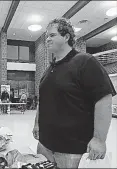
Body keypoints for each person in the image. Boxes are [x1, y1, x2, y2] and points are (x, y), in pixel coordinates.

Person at [32, 17, 116, 168]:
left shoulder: (85, 62)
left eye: (52, 35)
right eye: (46, 36)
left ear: (66, 37)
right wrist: (37, 123)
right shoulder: (49, 70)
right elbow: (43, 100)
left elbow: (104, 100)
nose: (47, 39)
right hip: (45, 146)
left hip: (72, 151)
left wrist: (99, 139)